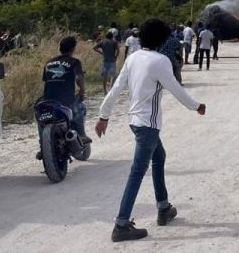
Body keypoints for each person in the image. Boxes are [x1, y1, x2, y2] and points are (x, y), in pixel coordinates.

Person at [96, 18, 206, 242]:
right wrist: (196, 106)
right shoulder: (161, 61)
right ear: (162, 39)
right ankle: (121, 224)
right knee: (137, 172)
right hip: (148, 125)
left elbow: (117, 87)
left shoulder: (133, 57)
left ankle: (164, 208)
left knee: (160, 157)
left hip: (135, 122)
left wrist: (103, 115)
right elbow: (176, 88)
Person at [41, 36, 91, 144]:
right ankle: (81, 135)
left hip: (48, 99)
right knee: (80, 107)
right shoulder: (74, 62)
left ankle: (42, 144)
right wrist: (82, 92)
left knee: (41, 117)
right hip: (66, 99)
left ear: (60, 48)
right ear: (73, 49)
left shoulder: (48, 62)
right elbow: (79, 78)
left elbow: (46, 81)